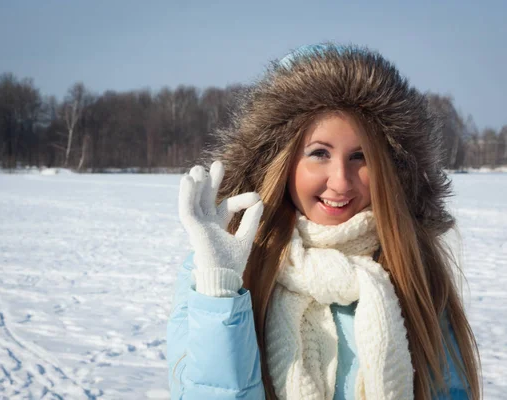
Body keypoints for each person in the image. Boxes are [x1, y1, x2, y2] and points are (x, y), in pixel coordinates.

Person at [166, 43, 481, 400]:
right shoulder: (218, 270)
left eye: (361, 156)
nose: (341, 181)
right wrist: (220, 294)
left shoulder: (411, 266)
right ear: (280, 160)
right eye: (319, 153)